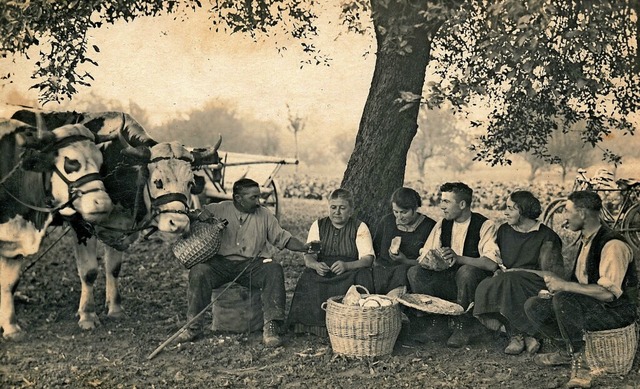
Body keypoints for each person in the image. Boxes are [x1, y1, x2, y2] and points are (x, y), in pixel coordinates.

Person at [177, 178, 312, 347]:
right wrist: (196, 215)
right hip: (220, 265)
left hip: (252, 265)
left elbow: (283, 238)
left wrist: (305, 248)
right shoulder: (217, 209)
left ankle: (271, 326)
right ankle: (193, 327)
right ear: (238, 198)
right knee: (198, 271)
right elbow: (185, 216)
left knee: (274, 269)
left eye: (259, 197)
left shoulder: (265, 215)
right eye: (253, 197)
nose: (259, 202)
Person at [524, 191, 637, 389]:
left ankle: (582, 365)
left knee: (563, 299)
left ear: (583, 213)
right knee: (534, 305)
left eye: (567, 211)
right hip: (593, 306)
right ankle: (567, 351)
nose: (564, 217)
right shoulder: (587, 240)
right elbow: (583, 283)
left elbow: (608, 294)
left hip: (615, 313)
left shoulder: (613, 245)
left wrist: (564, 287)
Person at [407, 182, 500, 348]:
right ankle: (437, 323)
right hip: (449, 279)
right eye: (442, 201)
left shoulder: (485, 225)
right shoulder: (444, 224)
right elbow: (425, 253)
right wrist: (430, 260)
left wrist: (459, 258)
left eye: (446, 202)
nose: (442, 206)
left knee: (466, 272)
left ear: (462, 204)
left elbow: (491, 263)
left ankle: (463, 325)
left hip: (474, 282)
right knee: (415, 272)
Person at [473, 190, 564, 355]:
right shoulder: (504, 231)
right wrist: (500, 271)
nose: (505, 212)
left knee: (509, 281)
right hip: (508, 280)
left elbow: (551, 274)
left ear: (523, 211)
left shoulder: (546, 237)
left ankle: (518, 335)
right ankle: (524, 335)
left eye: (510, 208)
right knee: (486, 286)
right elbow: (500, 261)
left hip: (536, 282)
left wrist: (518, 271)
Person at [287, 188, 375, 336]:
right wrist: (315, 265)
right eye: (333, 207)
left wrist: (347, 266)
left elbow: (368, 259)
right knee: (308, 277)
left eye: (342, 208)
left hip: (350, 269)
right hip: (325, 268)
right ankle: (311, 326)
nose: (337, 212)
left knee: (362, 277)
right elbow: (310, 255)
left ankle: (352, 326)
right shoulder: (319, 225)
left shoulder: (359, 227)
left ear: (351, 210)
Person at [372, 187, 436, 293]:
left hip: (405, 276)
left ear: (415, 208)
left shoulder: (429, 227)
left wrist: (405, 261)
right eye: (395, 212)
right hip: (381, 273)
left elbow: (430, 264)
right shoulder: (387, 221)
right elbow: (375, 249)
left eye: (404, 212)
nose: (399, 217)